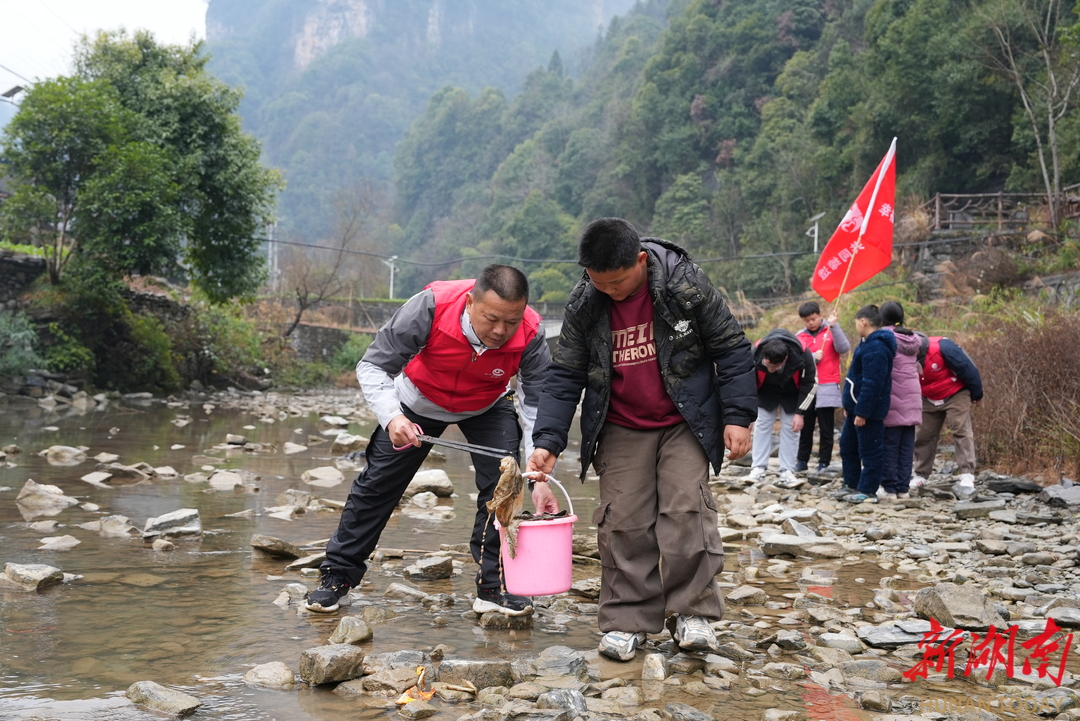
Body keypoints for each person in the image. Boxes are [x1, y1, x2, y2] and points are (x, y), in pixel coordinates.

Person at [526, 218, 756, 662]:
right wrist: (549, 440)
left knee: (687, 509)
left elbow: (730, 347)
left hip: (685, 418)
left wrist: (739, 416)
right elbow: (565, 375)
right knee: (623, 521)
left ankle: (693, 614)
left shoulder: (684, 283)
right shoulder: (585, 302)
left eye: (618, 282)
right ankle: (627, 619)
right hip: (620, 423)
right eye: (599, 282)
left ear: (641, 260)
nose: (610, 291)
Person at [306, 264, 551, 616]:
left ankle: (493, 587)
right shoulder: (431, 306)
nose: (500, 331)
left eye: (510, 322)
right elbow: (373, 366)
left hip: (486, 404)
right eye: (492, 319)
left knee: (505, 485)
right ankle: (338, 578)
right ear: (470, 302)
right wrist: (393, 417)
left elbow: (534, 403)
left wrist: (535, 460)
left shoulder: (530, 331)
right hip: (416, 400)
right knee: (377, 486)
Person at [911, 333, 984, 499]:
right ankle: (921, 475)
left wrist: (977, 394)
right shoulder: (902, 354)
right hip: (927, 397)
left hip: (955, 392)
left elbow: (968, 369)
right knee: (923, 435)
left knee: (961, 430)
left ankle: (967, 474)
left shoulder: (943, 347)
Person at [837, 304, 895, 503]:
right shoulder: (865, 343)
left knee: (870, 450)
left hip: (868, 412)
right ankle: (851, 483)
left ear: (863, 322)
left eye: (856, 323)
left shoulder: (877, 347)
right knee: (847, 446)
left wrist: (862, 412)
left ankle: (868, 489)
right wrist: (850, 407)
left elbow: (873, 384)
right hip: (855, 409)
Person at [748, 329, 816, 487]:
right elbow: (746, 384)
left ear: (785, 359)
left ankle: (787, 471)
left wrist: (800, 412)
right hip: (765, 390)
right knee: (762, 425)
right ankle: (758, 468)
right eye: (767, 365)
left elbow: (810, 384)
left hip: (792, 392)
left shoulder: (803, 355)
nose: (770, 369)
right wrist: (748, 413)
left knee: (791, 428)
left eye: (775, 367)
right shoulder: (755, 353)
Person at [795, 301, 850, 473]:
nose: (810, 323)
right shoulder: (800, 336)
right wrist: (811, 356)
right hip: (808, 387)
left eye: (813, 319)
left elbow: (844, 348)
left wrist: (835, 327)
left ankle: (824, 462)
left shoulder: (831, 331)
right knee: (807, 427)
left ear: (820, 315)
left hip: (827, 385)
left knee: (827, 428)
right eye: (807, 320)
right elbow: (796, 359)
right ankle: (802, 460)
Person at [879, 301, 922, 499]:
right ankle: (903, 489)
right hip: (913, 396)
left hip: (894, 395)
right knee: (906, 445)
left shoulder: (885, 337)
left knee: (890, 444)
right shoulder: (913, 338)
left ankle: (889, 489)